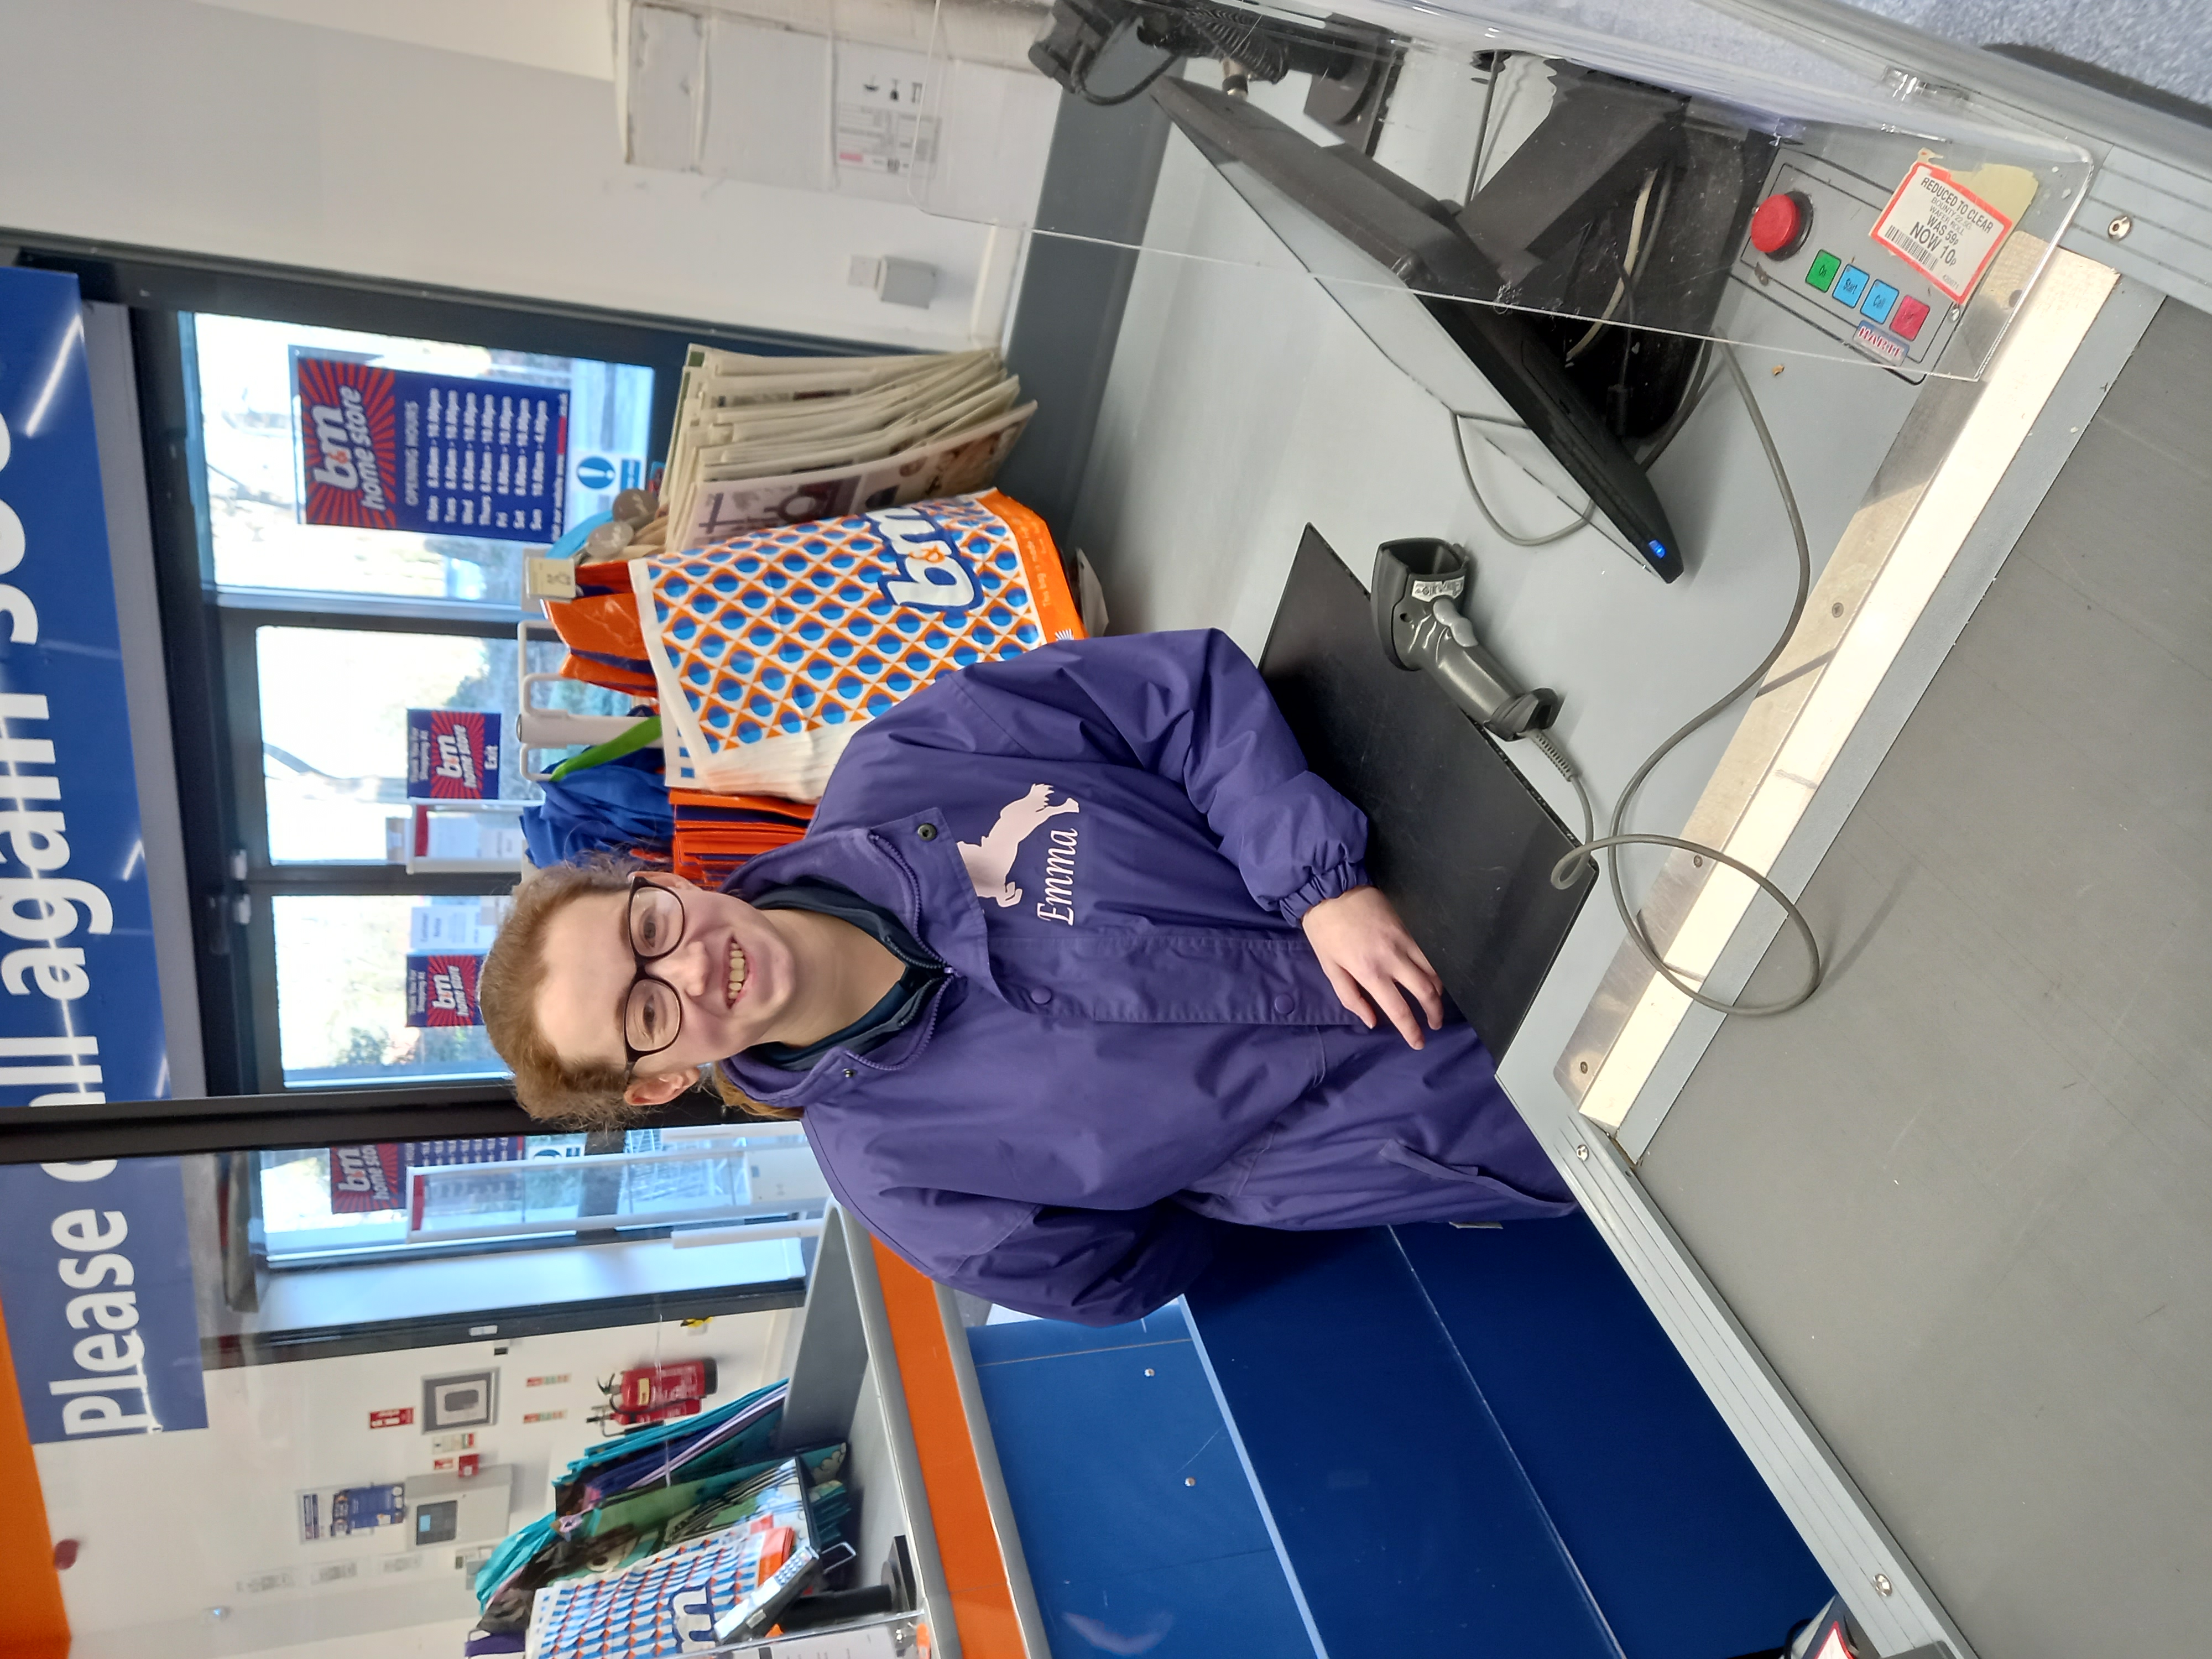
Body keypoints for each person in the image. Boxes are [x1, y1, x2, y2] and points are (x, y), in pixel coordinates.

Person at [481, 629, 1574, 1324]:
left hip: (1473, 875)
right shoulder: (909, 1184)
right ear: (661, 1081)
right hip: (1476, 1124)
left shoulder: (910, 769)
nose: (689, 965)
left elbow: (1176, 695)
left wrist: (1317, 882)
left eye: (648, 928)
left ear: (659, 877)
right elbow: (1123, 1271)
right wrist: (1278, 1162)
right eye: (647, 1010)